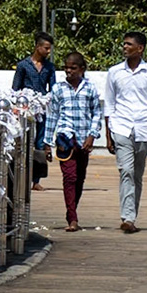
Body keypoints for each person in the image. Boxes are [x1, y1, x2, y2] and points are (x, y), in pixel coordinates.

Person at [101, 30, 147, 233]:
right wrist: (108, 133)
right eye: (124, 44)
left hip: (144, 127)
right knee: (126, 171)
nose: (125, 47)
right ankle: (127, 217)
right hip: (120, 126)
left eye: (129, 44)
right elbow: (109, 103)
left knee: (137, 174)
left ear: (140, 48)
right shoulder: (115, 72)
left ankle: (132, 217)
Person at [46, 52, 103, 233]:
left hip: (84, 139)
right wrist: (47, 142)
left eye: (73, 68)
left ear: (82, 69)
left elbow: (96, 113)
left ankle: (73, 209)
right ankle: (72, 217)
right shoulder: (58, 89)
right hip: (65, 137)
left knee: (79, 178)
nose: (68, 71)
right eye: (66, 68)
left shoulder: (90, 89)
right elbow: (52, 115)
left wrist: (92, 135)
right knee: (69, 177)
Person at [13, 32, 56, 190]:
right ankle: (21, 176)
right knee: (23, 141)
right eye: (46, 48)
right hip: (26, 110)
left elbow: (53, 88)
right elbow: (15, 88)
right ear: (38, 47)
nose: (48, 51)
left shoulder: (49, 67)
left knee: (40, 143)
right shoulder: (23, 65)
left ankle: (36, 180)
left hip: (42, 110)